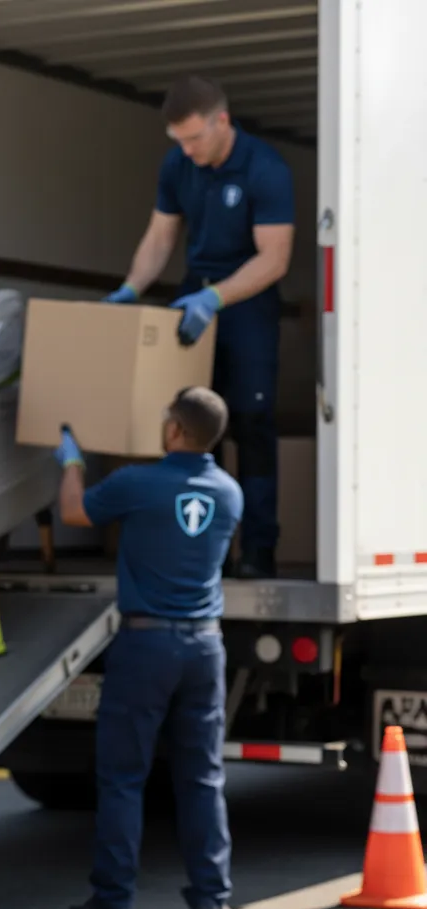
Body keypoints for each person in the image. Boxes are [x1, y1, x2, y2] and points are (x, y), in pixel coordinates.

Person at [53, 387, 243, 909]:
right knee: (203, 777)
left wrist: (72, 462)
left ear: (176, 431)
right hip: (205, 647)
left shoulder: (138, 484)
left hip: (145, 646)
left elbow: (73, 510)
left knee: (123, 778)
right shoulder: (229, 494)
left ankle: (112, 903)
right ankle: (211, 903)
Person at [104, 75, 294, 580]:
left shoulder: (264, 168)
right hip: (195, 295)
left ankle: (257, 551)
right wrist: (131, 288)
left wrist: (215, 298)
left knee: (251, 423)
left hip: (246, 302)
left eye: (195, 139)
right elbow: (161, 236)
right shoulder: (179, 165)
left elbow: (275, 259)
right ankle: (194, 552)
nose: (187, 151)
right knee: (187, 421)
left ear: (222, 122)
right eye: (179, 142)